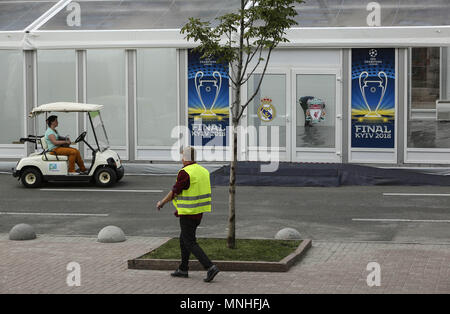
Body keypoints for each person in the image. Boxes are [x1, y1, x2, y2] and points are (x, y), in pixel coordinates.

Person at [156, 146, 219, 283]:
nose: (181, 159)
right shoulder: (203, 171)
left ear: (185, 158)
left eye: (182, 156)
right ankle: (183, 269)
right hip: (198, 212)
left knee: (190, 242)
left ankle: (210, 267)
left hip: (188, 212)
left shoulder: (185, 173)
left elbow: (175, 192)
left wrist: (162, 202)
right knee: (183, 239)